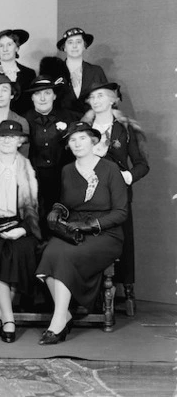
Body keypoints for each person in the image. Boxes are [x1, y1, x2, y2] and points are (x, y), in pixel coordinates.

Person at [36, 122, 128, 344]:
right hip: (74, 230)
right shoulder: (68, 170)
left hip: (105, 234)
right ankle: (65, 314)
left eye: (82, 138)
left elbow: (121, 212)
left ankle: (58, 322)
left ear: (93, 141)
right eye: (72, 140)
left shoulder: (110, 169)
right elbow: (68, 203)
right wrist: (57, 210)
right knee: (48, 253)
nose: (76, 143)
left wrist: (91, 225)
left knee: (65, 256)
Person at [81, 82, 148, 314]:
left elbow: (141, 164)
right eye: (92, 97)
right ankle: (93, 293)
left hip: (118, 194)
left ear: (113, 100)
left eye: (101, 96)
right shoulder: (83, 128)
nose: (96, 100)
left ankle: (127, 288)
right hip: (89, 195)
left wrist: (128, 176)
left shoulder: (125, 128)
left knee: (124, 241)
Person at [0, 120, 41, 344]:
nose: (6, 141)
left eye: (12, 137)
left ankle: (0, 318)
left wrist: (22, 230)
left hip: (22, 227)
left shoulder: (32, 171)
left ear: (20, 141)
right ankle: (9, 319)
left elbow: (39, 209)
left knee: (19, 252)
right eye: (2, 137)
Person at [23, 76, 77, 239]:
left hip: (63, 179)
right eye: (38, 94)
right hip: (34, 178)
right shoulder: (23, 120)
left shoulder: (70, 118)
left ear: (54, 95)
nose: (43, 98)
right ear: (32, 97)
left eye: (47, 93)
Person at [40, 27, 108, 117]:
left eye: (79, 42)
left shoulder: (96, 71)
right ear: (64, 47)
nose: (74, 46)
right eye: (70, 42)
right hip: (61, 123)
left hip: (92, 123)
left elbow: (107, 99)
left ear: (84, 46)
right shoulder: (54, 71)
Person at [0, 29, 36, 117]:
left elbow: (33, 104)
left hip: (24, 123)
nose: (5, 49)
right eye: (1, 46)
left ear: (17, 47)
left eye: (9, 44)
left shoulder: (29, 74)